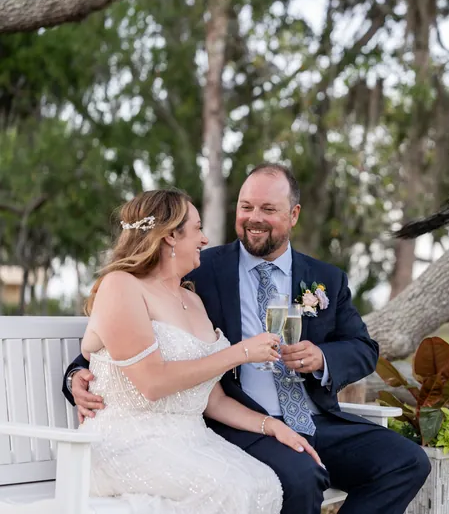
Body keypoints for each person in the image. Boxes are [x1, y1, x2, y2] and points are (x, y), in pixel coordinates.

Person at [63, 164, 431, 514]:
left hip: (315, 419)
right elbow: (122, 348)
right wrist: (75, 375)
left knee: (407, 461)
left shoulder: (325, 279)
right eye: (246, 206)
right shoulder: (198, 272)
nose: (254, 217)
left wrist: (321, 357)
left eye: (268, 208)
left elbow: (363, 349)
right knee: (301, 477)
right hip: (237, 423)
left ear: (294, 215)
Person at [65, 188, 320, 513]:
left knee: (263, 483)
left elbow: (213, 400)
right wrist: (241, 352)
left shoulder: (193, 302)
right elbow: (152, 383)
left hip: (190, 437)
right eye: (197, 228)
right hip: (125, 440)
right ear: (171, 236)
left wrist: (272, 426)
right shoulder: (121, 285)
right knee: (230, 492)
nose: (204, 238)